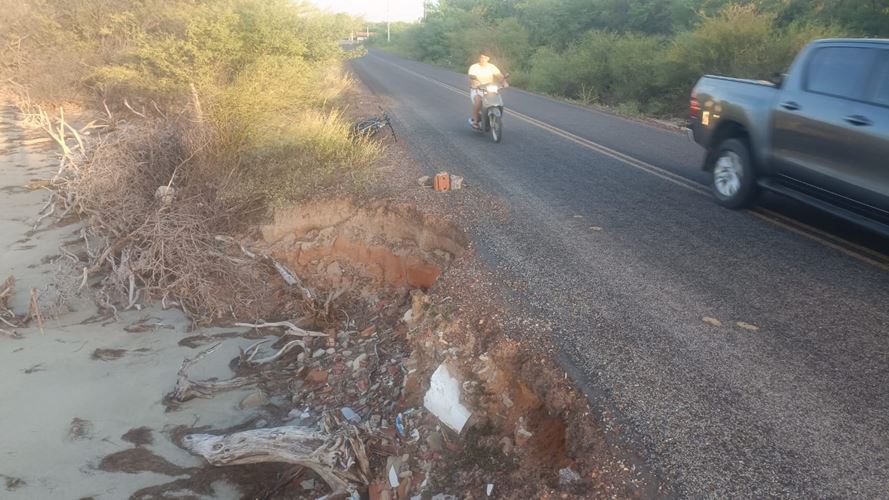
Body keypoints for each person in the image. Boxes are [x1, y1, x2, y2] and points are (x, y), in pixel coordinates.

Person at [468, 51, 507, 129]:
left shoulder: (491, 67)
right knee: (478, 101)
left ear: (488, 59)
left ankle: (498, 119)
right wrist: (474, 83)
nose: (483, 59)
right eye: (481, 57)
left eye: (485, 57)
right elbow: (471, 78)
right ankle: (475, 121)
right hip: (477, 89)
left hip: (489, 88)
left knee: (498, 102)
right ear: (479, 58)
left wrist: (504, 82)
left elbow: (499, 76)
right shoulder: (474, 67)